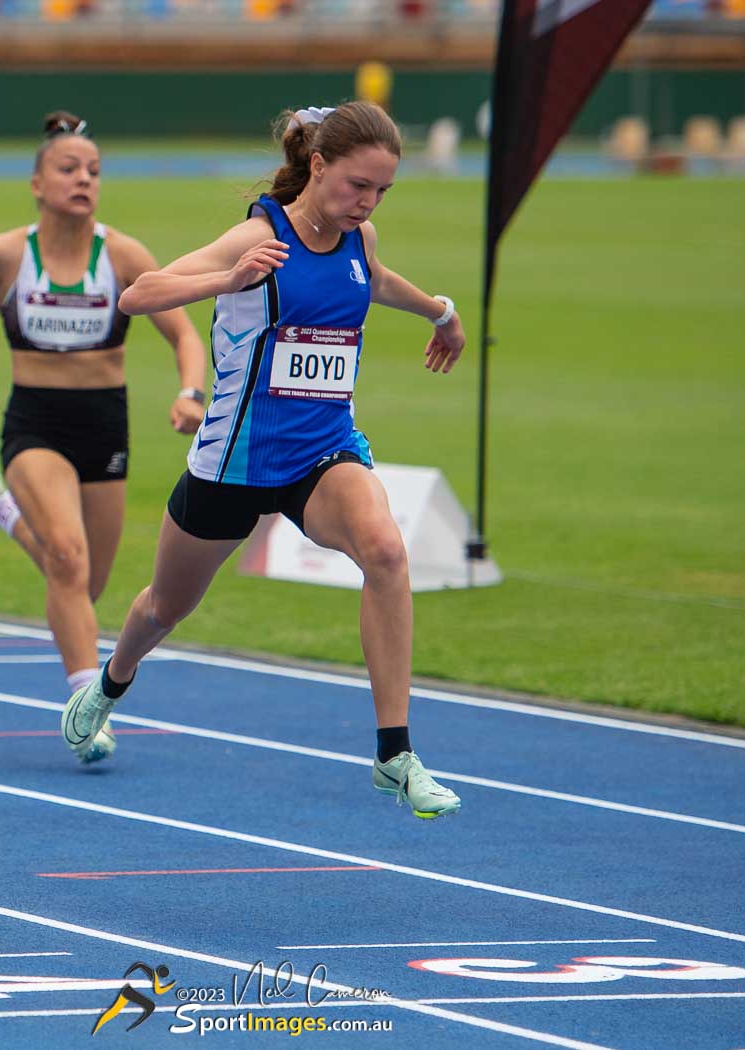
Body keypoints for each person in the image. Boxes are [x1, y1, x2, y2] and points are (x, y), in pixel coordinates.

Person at [59, 102, 465, 819]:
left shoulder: (356, 237)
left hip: (322, 450)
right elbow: (137, 293)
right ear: (317, 166)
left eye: (380, 192)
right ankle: (113, 680)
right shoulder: (258, 236)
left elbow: (374, 279)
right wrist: (228, 280)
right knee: (164, 608)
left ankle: (394, 753)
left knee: (386, 551)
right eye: (356, 186)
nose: (366, 203)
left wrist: (440, 311)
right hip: (235, 459)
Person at [0, 111, 206, 762]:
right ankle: (90, 705)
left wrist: (190, 392)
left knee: (84, 587)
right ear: (36, 182)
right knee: (66, 557)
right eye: (68, 168)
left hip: (104, 425)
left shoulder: (124, 256)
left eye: (93, 170)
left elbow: (184, 333)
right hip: (34, 423)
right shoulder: (1, 255)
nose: (83, 178)